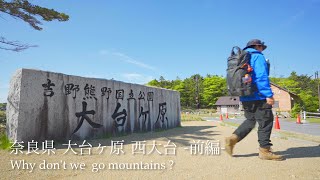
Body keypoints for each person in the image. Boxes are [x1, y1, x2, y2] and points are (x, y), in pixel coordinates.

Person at [225, 39, 284, 161]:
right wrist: (268, 94)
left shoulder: (241, 57)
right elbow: (261, 76)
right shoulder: (257, 56)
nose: (262, 49)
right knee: (266, 121)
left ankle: (233, 138)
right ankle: (265, 151)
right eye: (261, 47)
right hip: (259, 95)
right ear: (257, 46)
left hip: (245, 95)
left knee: (250, 120)